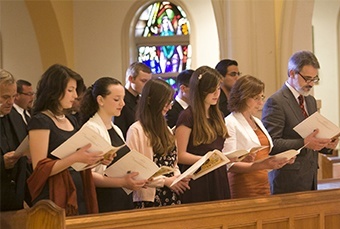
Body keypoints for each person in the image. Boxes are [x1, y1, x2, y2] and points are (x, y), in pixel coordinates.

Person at [27, 64, 103, 216]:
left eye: (75, 90)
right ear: (54, 90)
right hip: (54, 194)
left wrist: (97, 158)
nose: (75, 96)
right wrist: (76, 157)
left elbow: (77, 160)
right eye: (70, 90)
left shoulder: (71, 119)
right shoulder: (41, 120)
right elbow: (40, 168)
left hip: (77, 190)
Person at [261, 51, 339, 194]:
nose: (311, 84)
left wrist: (327, 145)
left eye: (314, 79)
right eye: (307, 79)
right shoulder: (276, 102)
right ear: (292, 73)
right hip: (287, 180)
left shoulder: (310, 100)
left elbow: (312, 137)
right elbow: (271, 144)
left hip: (310, 176)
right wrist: (303, 143)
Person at [79, 77, 147, 213]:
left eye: (123, 99)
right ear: (100, 100)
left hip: (122, 196)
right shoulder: (91, 129)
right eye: (116, 99)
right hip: (105, 199)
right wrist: (122, 182)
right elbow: (88, 174)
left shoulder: (116, 129)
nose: (122, 104)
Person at [223, 75, 294, 198]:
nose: (260, 103)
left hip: (263, 182)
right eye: (256, 98)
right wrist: (262, 165)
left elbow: (263, 155)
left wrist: (281, 159)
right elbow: (228, 164)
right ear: (243, 97)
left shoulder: (256, 121)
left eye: (261, 97)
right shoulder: (230, 122)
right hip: (243, 185)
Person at [126, 79, 190, 208]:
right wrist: (166, 181)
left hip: (171, 193)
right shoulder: (136, 130)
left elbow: (173, 162)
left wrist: (178, 178)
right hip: (149, 197)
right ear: (151, 100)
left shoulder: (166, 128)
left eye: (170, 102)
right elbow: (134, 170)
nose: (169, 106)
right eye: (166, 102)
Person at [175, 66, 231, 204]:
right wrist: (207, 160)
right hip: (198, 177)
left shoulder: (218, 115)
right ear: (200, 90)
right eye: (211, 90)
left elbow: (218, 150)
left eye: (218, 88)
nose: (216, 94)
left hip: (218, 174)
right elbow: (180, 155)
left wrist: (231, 157)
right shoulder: (187, 116)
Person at [0, 69, 30, 211]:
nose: (11, 102)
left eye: (13, 96)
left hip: (14, 201)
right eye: (5, 97)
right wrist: (2, 163)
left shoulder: (15, 117)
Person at [114, 62, 152, 137]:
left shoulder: (142, 100)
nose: (147, 86)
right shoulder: (120, 101)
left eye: (149, 82)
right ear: (131, 79)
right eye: (143, 81)